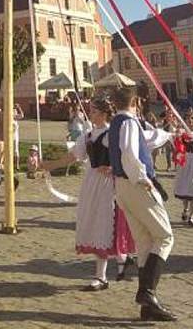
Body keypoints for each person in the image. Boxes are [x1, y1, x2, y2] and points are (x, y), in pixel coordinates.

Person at [41, 97, 135, 291]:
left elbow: (127, 156)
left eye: (92, 111)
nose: (89, 114)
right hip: (92, 184)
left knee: (107, 223)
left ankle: (117, 263)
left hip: (110, 185)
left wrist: (113, 168)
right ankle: (105, 273)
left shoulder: (113, 134)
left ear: (102, 114)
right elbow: (72, 157)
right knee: (94, 224)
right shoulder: (88, 136)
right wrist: (47, 165)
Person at [108, 87, 175, 322]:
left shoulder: (118, 123)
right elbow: (129, 153)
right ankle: (146, 292)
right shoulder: (127, 122)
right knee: (165, 237)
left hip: (122, 187)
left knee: (145, 241)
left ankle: (149, 305)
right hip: (135, 184)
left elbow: (145, 139)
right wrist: (143, 179)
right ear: (136, 101)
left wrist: (168, 133)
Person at [13, 103, 25, 170]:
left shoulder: (15, 119)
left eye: (15, 112)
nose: (14, 113)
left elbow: (22, 115)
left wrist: (19, 107)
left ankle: (17, 165)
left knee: (16, 151)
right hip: (7, 137)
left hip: (15, 137)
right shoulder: (6, 118)